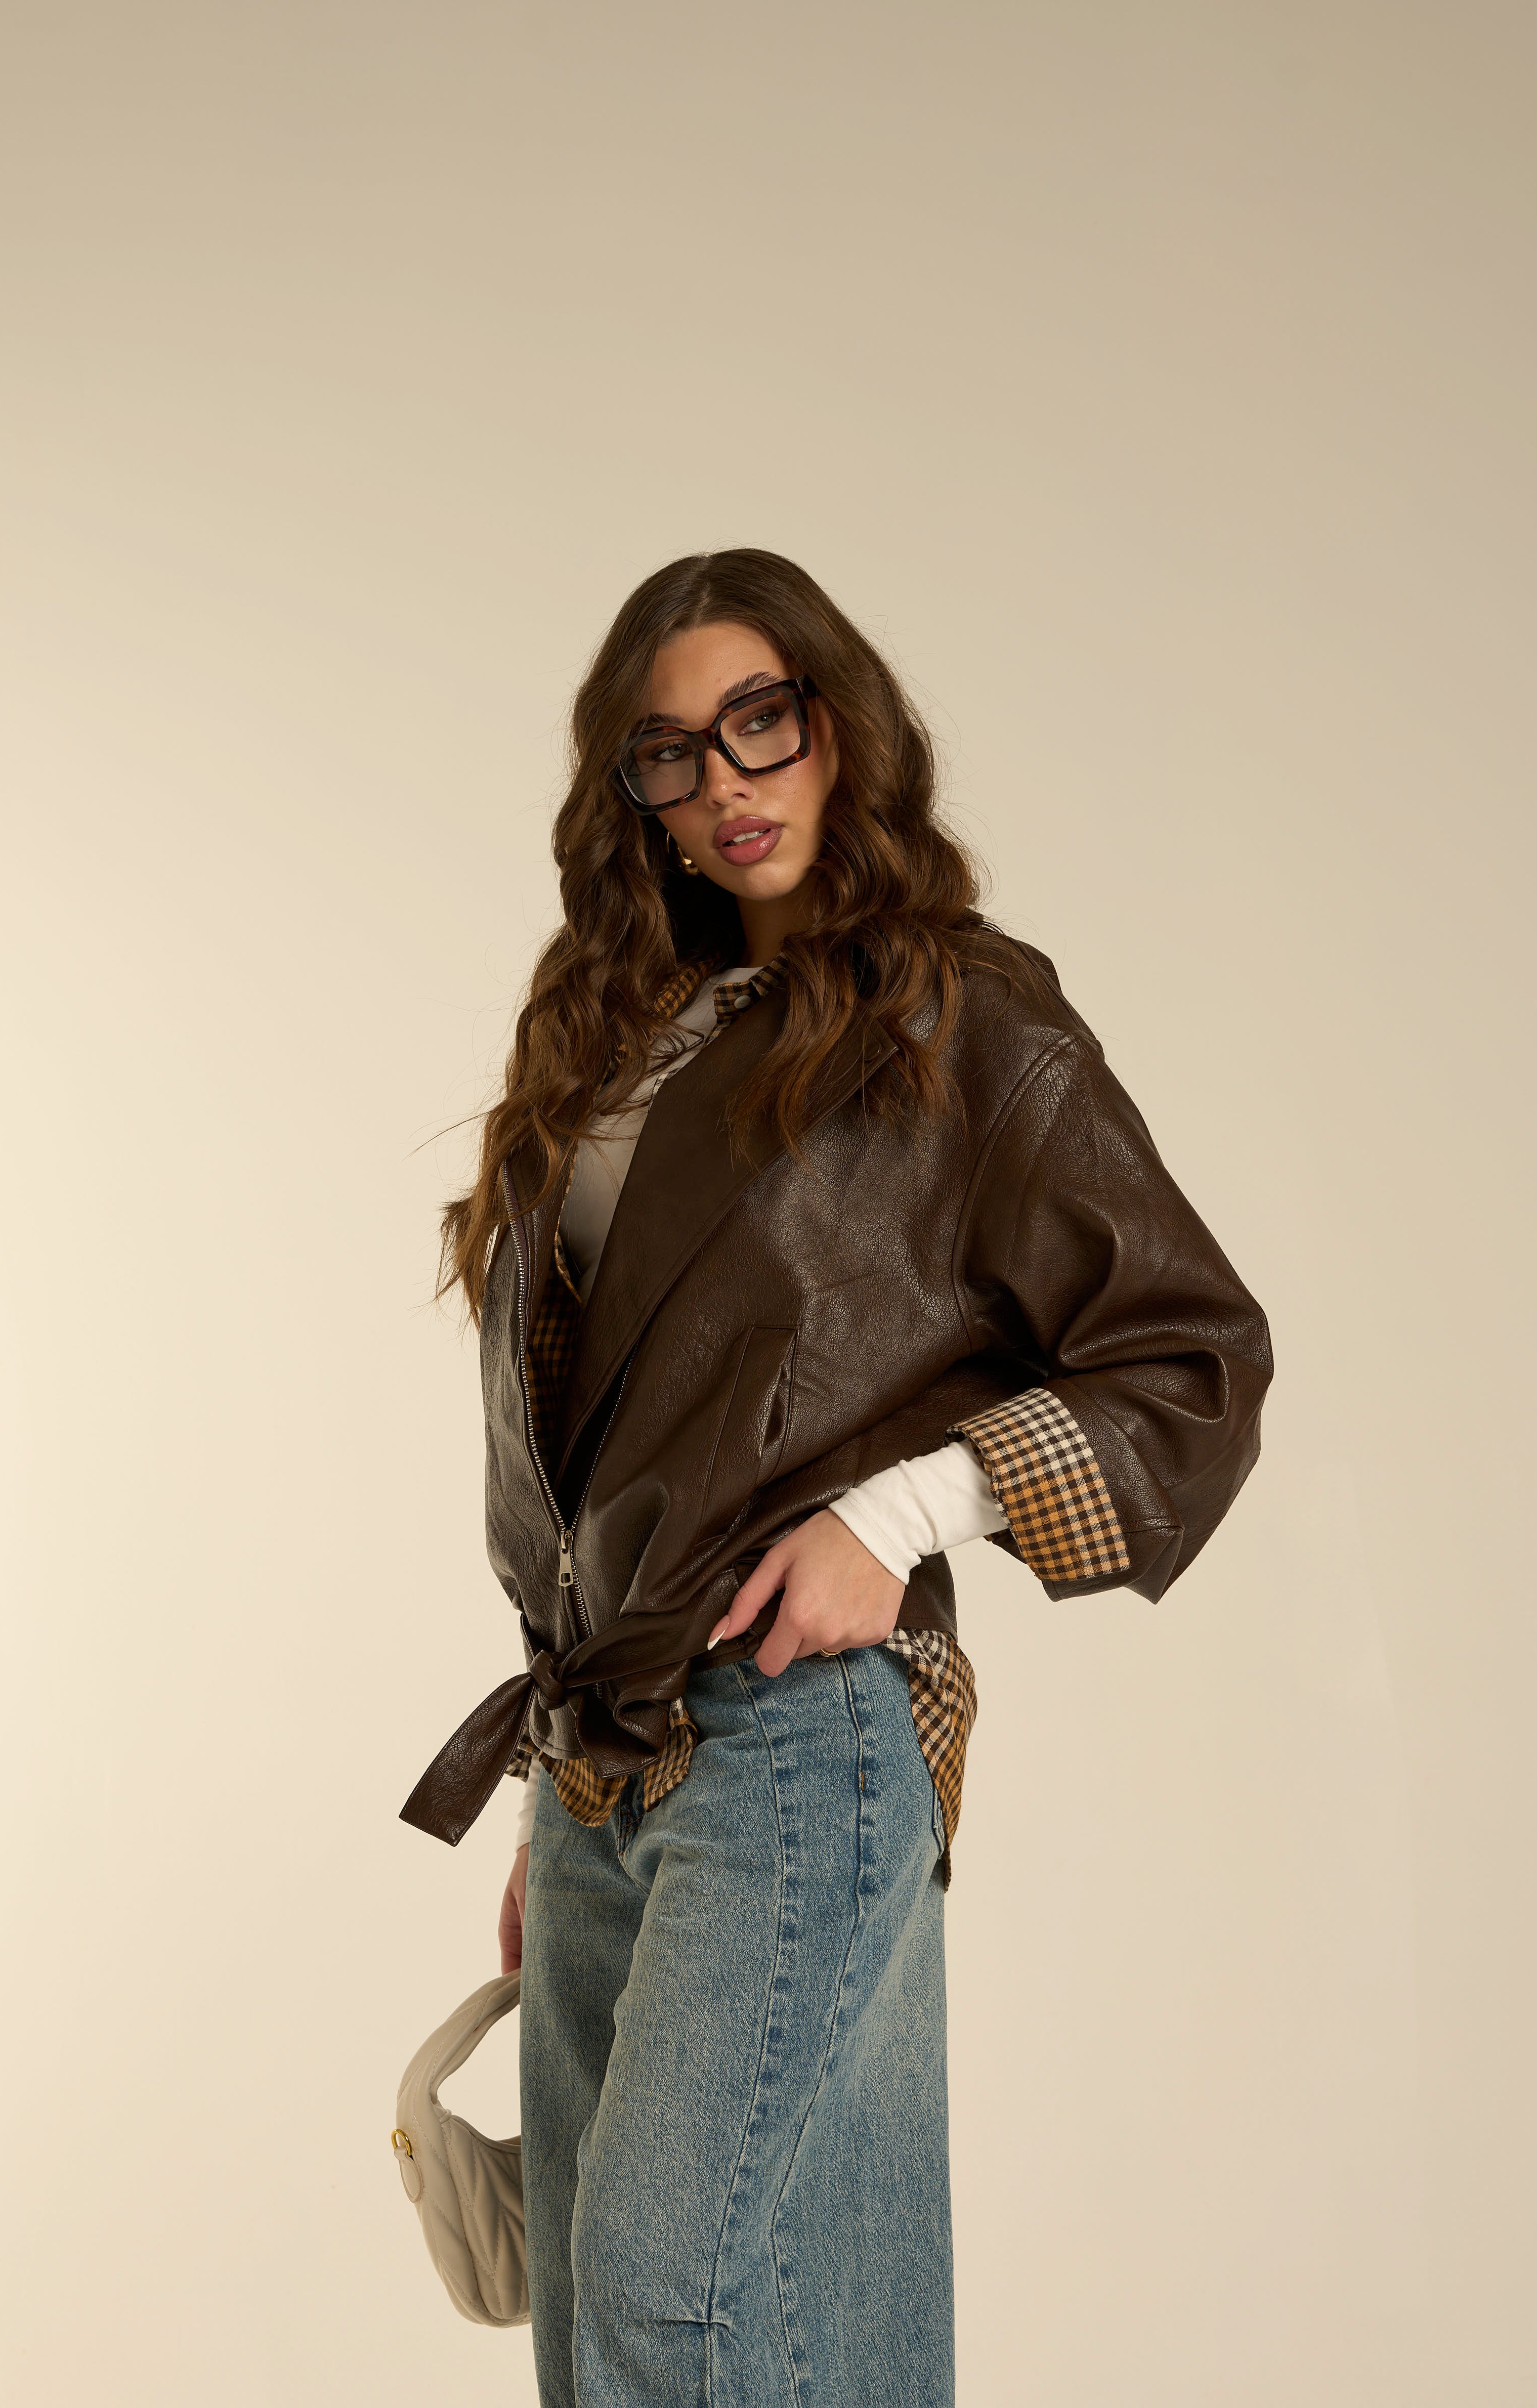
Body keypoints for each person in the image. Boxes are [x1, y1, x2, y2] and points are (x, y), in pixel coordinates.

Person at [406, 548, 1272, 2408]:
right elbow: (594, 1443)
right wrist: (556, 1791)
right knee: (635, 2327)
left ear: (840, 725)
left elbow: (1193, 1359)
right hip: (602, 1759)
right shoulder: (612, 1036)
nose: (724, 781)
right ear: (629, 792)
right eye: (669, 751)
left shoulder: (965, 1018)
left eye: (760, 722)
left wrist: (902, 1515)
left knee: (665, 2309)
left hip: (798, 1735)